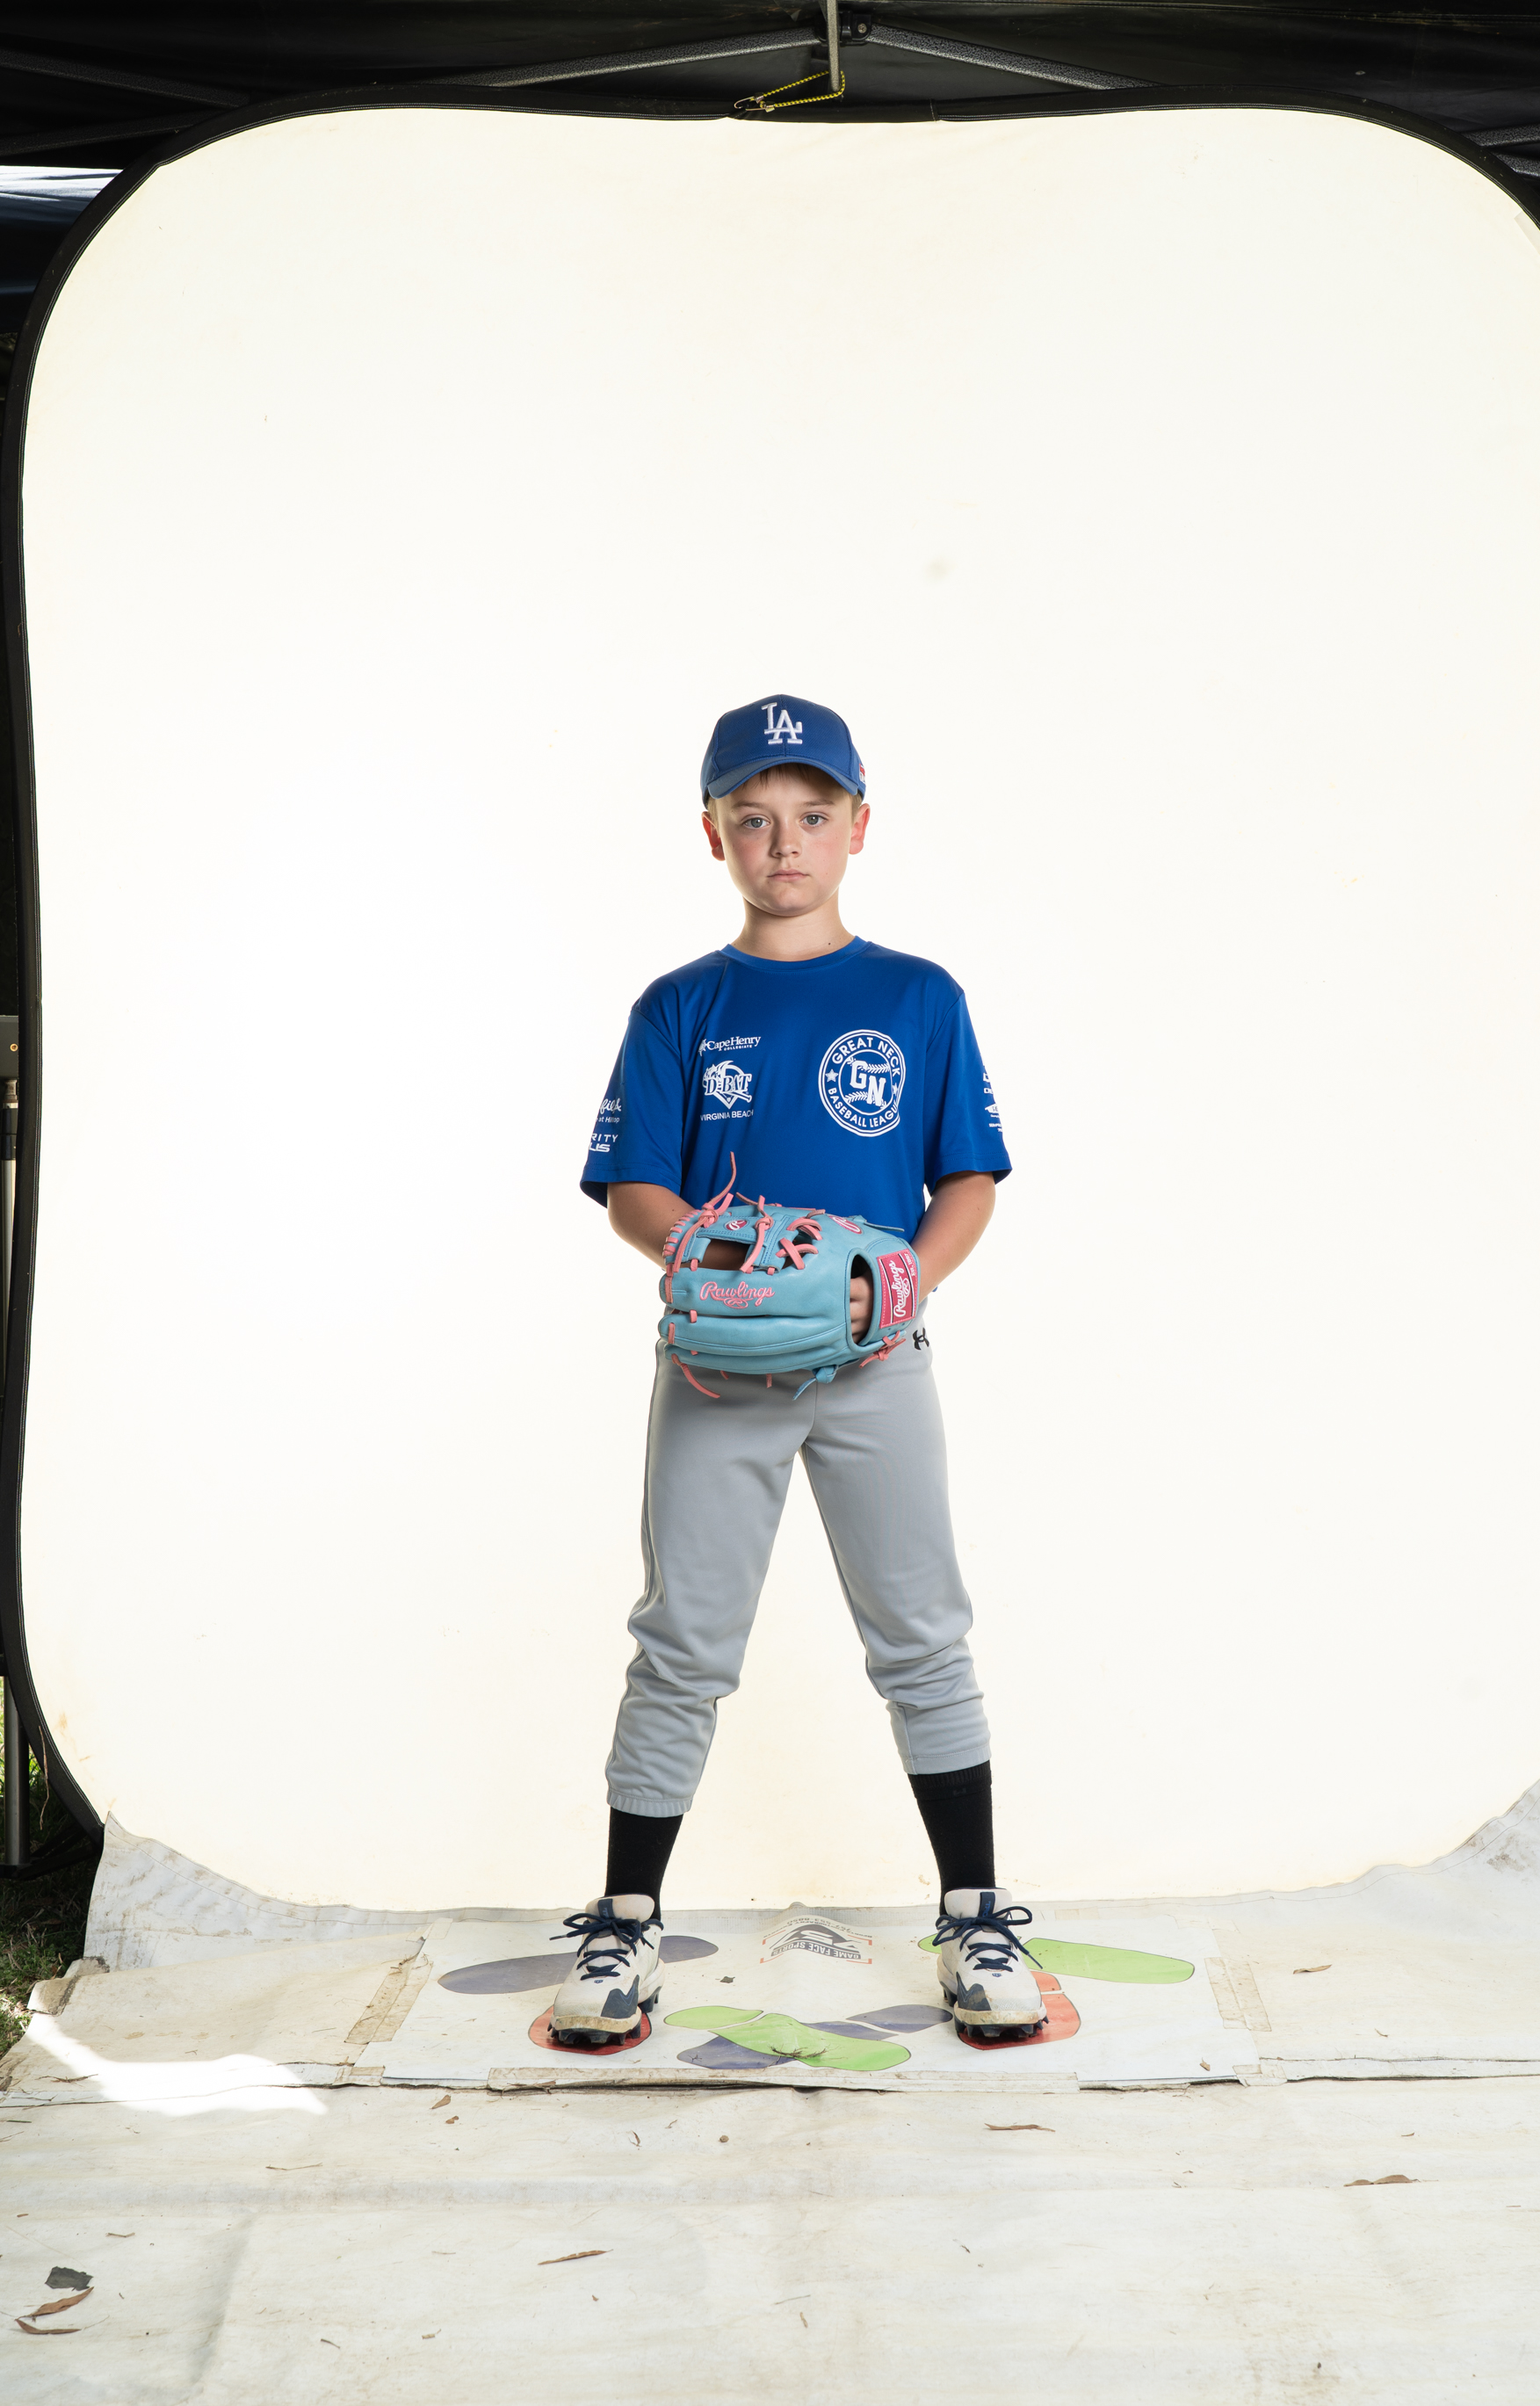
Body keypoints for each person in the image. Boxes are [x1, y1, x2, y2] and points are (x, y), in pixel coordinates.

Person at [555, 692, 1036, 2047]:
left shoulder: (916, 997)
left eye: (811, 815)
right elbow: (633, 1188)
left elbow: (966, 1177)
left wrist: (904, 1278)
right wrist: (716, 1257)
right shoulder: (679, 1006)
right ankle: (626, 1920)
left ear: (857, 827)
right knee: (682, 1644)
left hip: (878, 1360)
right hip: (723, 1368)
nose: (784, 842)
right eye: (753, 817)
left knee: (921, 1634)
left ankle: (975, 1909)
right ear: (711, 833)